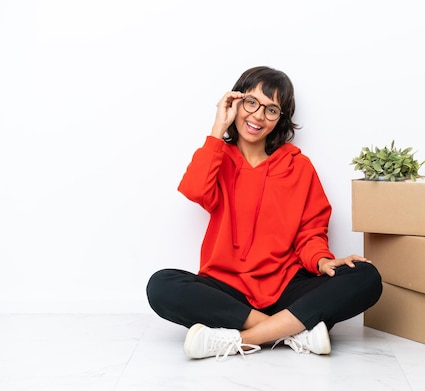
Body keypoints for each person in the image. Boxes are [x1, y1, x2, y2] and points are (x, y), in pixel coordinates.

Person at [146, 66, 382, 360]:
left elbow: (311, 231)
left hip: (287, 287)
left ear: (280, 119)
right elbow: (196, 191)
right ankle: (293, 330)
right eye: (252, 103)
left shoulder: (298, 166)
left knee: (365, 277)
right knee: (161, 285)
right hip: (229, 290)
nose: (258, 116)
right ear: (236, 103)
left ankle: (239, 340)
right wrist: (217, 130)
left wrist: (322, 261)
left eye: (271, 110)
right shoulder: (218, 157)